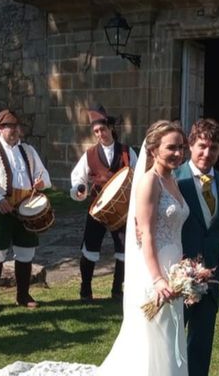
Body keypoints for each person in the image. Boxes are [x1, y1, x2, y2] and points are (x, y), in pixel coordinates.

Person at [98, 120, 189, 376]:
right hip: (154, 272)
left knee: (171, 334)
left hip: (175, 270)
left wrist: (185, 271)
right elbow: (146, 234)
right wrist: (158, 279)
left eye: (181, 147)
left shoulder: (172, 180)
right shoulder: (150, 182)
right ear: (153, 150)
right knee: (153, 338)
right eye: (171, 148)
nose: (178, 153)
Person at [175, 118, 219, 376]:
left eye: (213, 148)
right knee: (171, 341)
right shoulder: (174, 179)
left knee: (202, 343)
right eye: (202, 146)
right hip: (177, 274)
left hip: (212, 275)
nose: (207, 153)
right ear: (190, 145)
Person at [0, 109, 51, 311]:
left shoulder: (28, 150)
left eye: (17, 127)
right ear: (0, 128)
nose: (16, 130)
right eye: (11, 127)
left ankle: (23, 295)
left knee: (26, 252)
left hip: (25, 209)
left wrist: (41, 182)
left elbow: (43, 174)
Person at [69, 105, 137, 302]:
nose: (100, 134)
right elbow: (78, 178)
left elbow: (139, 177)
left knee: (124, 249)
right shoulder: (89, 154)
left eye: (103, 130)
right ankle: (85, 290)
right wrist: (79, 189)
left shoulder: (127, 152)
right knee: (90, 247)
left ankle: (117, 290)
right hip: (98, 209)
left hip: (123, 210)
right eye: (96, 132)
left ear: (111, 128)